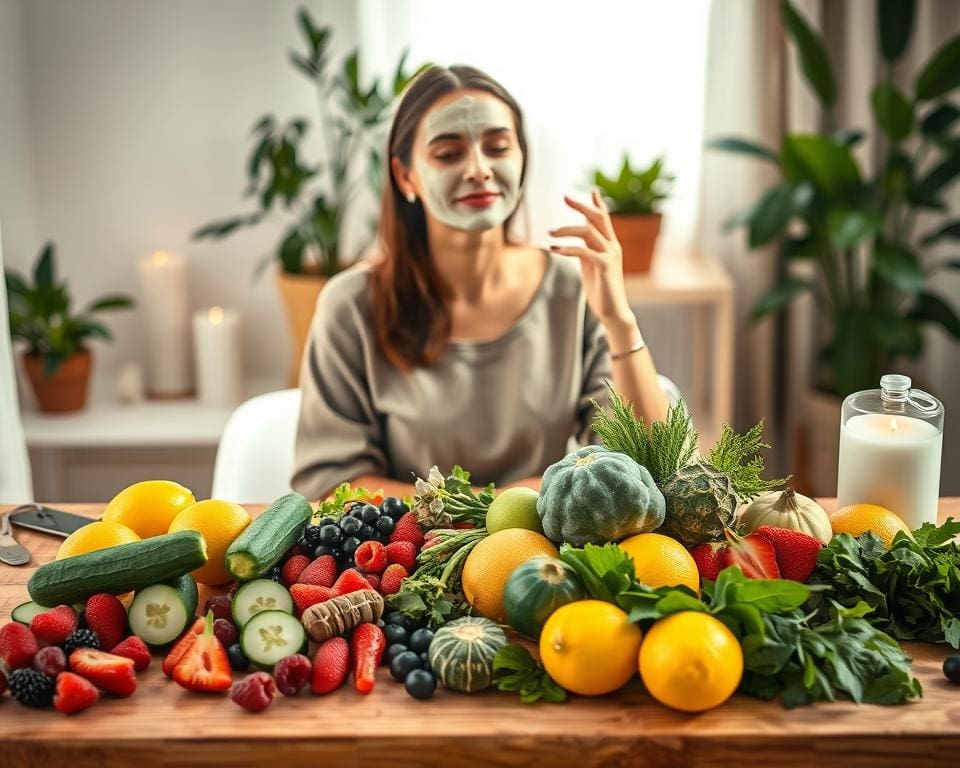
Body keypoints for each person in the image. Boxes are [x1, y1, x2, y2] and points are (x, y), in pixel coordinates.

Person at [292, 64, 669, 502]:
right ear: (405, 176)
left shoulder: (572, 288)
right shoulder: (350, 305)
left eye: (498, 147)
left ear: (522, 157)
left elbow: (651, 466)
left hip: (545, 558)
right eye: (449, 154)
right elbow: (332, 481)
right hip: (409, 560)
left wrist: (620, 320)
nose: (479, 169)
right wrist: (497, 509)